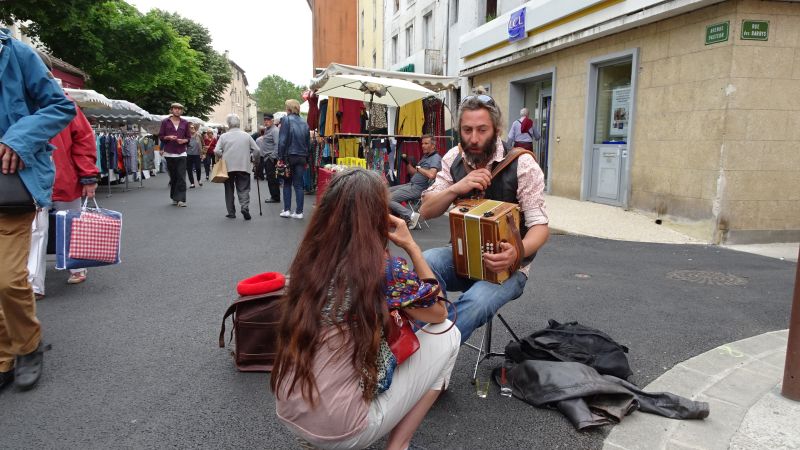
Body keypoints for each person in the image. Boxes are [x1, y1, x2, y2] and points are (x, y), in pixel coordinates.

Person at [271, 169, 460, 450]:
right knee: (448, 334)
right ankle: (399, 446)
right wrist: (412, 247)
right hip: (340, 430)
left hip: (289, 409)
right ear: (377, 216)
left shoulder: (309, 259)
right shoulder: (382, 271)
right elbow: (438, 312)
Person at [419, 94, 550, 344]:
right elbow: (426, 210)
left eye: (482, 129)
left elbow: (540, 227)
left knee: (476, 301)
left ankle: (430, 355)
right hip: (462, 257)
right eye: (467, 130)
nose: (474, 138)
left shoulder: (522, 164)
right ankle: (432, 343)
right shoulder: (451, 159)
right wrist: (456, 188)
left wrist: (516, 251)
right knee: (426, 262)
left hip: (510, 268)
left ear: (497, 130)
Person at [0, 28, 77, 391]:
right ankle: (4, 354)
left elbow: (61, 106)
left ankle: (27, 345)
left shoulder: (15, 53)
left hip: (11, 184)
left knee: (8, 278)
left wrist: (17, 139)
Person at [28, 89, 100, 298]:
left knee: (67, 224)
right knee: (36, 230)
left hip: (61, 175)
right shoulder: (19, 98)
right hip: (38, 176)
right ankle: (34, 283)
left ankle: (76, 266)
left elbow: (83, 141)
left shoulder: (64, 103)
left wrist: (88, 176)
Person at [389, 134, 441, 229]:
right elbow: (413, 172)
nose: (423, 146)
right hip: (411, 185)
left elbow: (432, 175)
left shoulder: (435, 158)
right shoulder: (425, 157)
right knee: (385, 191)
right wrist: (407, 162)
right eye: (422, 144)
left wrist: (419, 168)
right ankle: (398, 218)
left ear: (433, 145)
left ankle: (411, 216)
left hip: (419, 189)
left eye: (426, 143)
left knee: (388, 199)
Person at [214, 114, 259, 221]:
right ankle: (244, 207)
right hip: (243, 166)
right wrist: (256, 161)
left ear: (228, 124)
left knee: (228, 189)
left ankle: (231, 212)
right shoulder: (246, 136)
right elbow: (257, 150)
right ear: (239, 123)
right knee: (243, 188)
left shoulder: (224, 136)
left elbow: (216, 150)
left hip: (228, 167)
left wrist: (222, 155)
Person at [277, 99, 310, 219]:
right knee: (299, 184)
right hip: (301, 157)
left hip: (289, 156)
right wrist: (307, 159)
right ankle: (299, 212)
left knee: (287, 183)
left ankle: (287, 210)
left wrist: (280, 157)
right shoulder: (304, 122)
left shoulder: (286, 120)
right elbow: (308, 143)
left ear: (289, 109)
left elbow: (282, 141)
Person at [158, 102, 191, 207]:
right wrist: (168, 137)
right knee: (174, 177)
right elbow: (161, 136)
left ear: (181, 111)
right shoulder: (165, 122)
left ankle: (181, 199)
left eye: (179, 109)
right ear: (171, 110)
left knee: (181, 176)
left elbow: (189, 138)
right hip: (169, 152)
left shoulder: (185, 123)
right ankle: (174, 197)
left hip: (181, 153)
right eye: (175, 109)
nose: (177, 110)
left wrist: (184, 141)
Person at [255, 113, 280, 203]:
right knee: (270, 178)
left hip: (270, 158)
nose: (266, 122)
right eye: (265, 120)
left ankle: (275, 197)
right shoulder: (267, 130)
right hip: (266, 157)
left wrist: (272, 157)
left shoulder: (274, 130)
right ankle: (274, 196)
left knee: (272, 178)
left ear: (272, 120)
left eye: (268, 120)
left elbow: (277, 144)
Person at [185, 123, 203, 188]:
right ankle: (192, 183)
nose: (192, 129)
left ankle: (199, 179)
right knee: (189, 169)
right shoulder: (187, 136)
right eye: (190, 128)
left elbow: (203, 144)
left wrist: (203, 153)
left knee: (198, 168)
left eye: (193, 128)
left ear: (195, 129)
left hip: (197, 154)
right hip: (188, 154)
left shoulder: (199, 135)